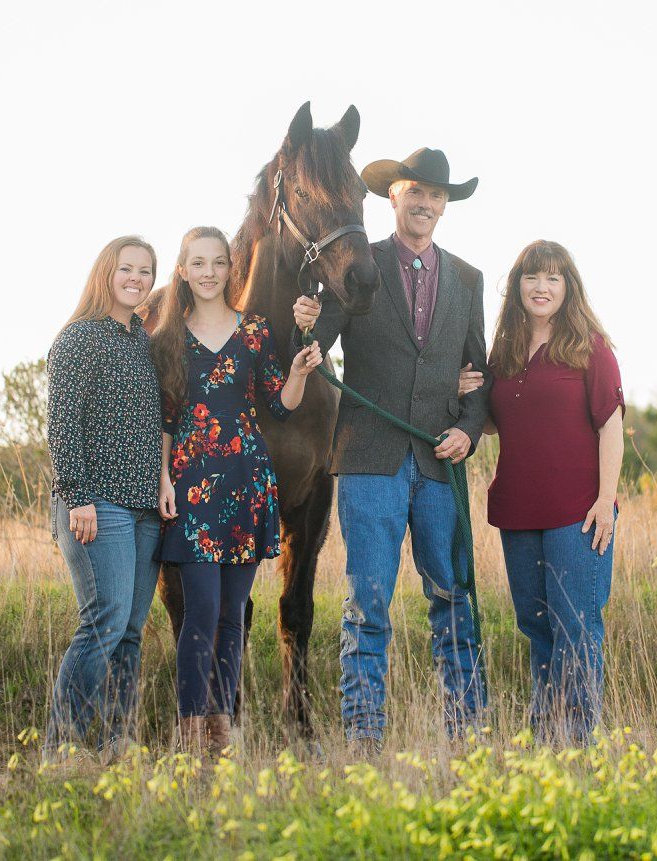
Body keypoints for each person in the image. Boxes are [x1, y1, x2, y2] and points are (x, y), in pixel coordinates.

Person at [294, 148, 489, 754]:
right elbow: (318, 343)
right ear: (392, 197)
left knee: (453, 600)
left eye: (436, 194)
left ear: (445, 204)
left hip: (439, 462)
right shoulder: (360, 263)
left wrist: (470, 430)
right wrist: (307, 318)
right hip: (367, 460)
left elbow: (477, 374)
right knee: (367, 603)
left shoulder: (468, 279)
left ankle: (467, 738)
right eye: (414, 192)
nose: (425, 203)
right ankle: (364, 743)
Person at [151, 226, 322, 753]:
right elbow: (164, 417)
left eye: (217, 263)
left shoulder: (254, 331)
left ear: (231, 269)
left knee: (232, 615)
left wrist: (296, 370)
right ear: (183, 271)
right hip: (193, 485)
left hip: (247, 484)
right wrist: (162, 479)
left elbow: (281, 402)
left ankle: (222, 734)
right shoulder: (168, 336)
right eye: (197, 263)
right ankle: (188, 732)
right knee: (200, 614)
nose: (208, 273)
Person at [481, 239, 624, 746]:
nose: (541, 287)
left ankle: (577, 744)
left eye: (553, 278)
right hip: (519, 511)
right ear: (517, 285)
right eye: (531, 277)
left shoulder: (590, 347)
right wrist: (463, 391)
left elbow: (611, 425)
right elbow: (498, 423)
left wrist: (605, 501)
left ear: (568, 287)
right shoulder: (504, 353)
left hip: (577, 513)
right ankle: (546, 742)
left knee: (577, 627)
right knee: (536, 628)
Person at [45, 235, 163, 764]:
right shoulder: (78, 339)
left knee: (131, 631)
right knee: (104, 620)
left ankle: (118, 742)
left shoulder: (143, 339)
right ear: (105, 273)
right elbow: (64, 424)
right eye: (127, 269)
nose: (136, 279)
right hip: (96, 504)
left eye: (145, 271)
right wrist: (77, 497)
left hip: (143, 509)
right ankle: (63, 744)